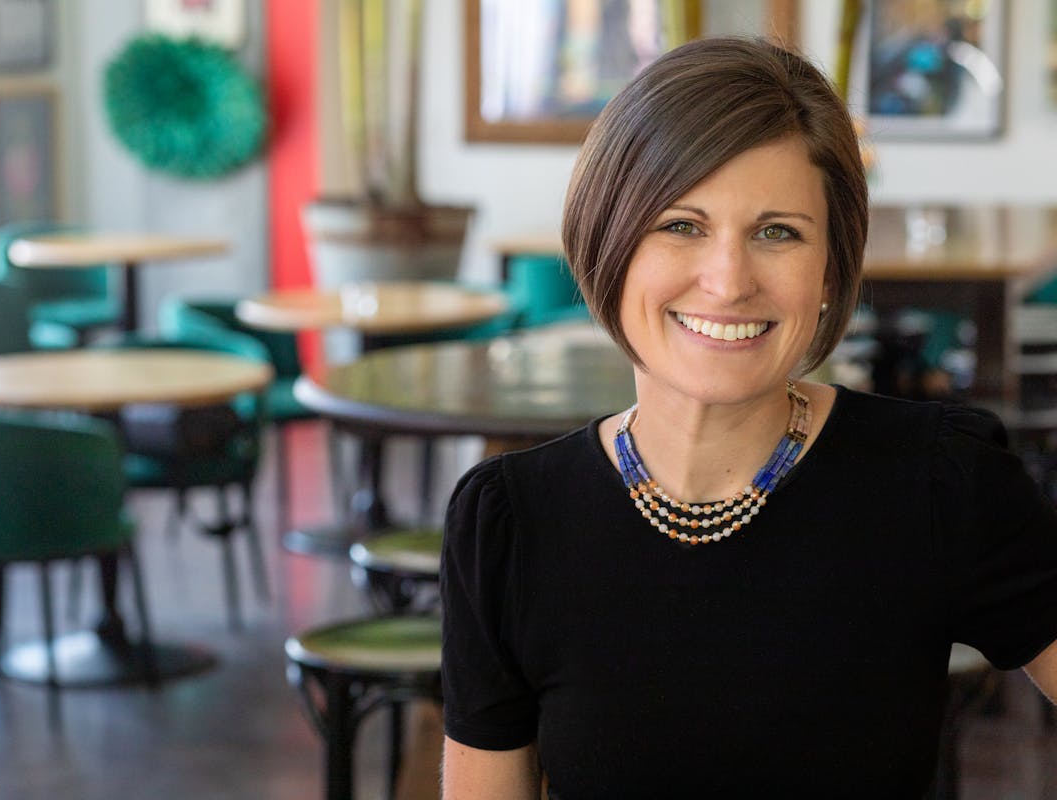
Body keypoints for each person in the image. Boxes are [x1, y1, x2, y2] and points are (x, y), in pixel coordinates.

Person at [439, 36, 1057, 797]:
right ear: (609, 244)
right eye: (681, 224)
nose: (728, 281)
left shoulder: (940, 482)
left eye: (778, 232)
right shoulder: (510, 524)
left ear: (830, 271)